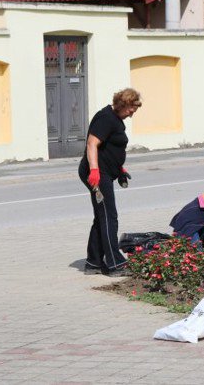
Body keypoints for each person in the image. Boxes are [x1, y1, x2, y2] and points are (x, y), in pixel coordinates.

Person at [78, 88, 142, 276]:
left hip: (106, 171)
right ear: (123, 104)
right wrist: (95, 171)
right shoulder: (106, 118)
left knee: (102, 216)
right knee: (109, 217)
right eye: (131, 109)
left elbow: (109, 148)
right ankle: (115, 263)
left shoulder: (116, 119)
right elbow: (92, 144)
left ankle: (94, 262)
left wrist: (119, 168)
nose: (133, 113)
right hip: (97, 174)